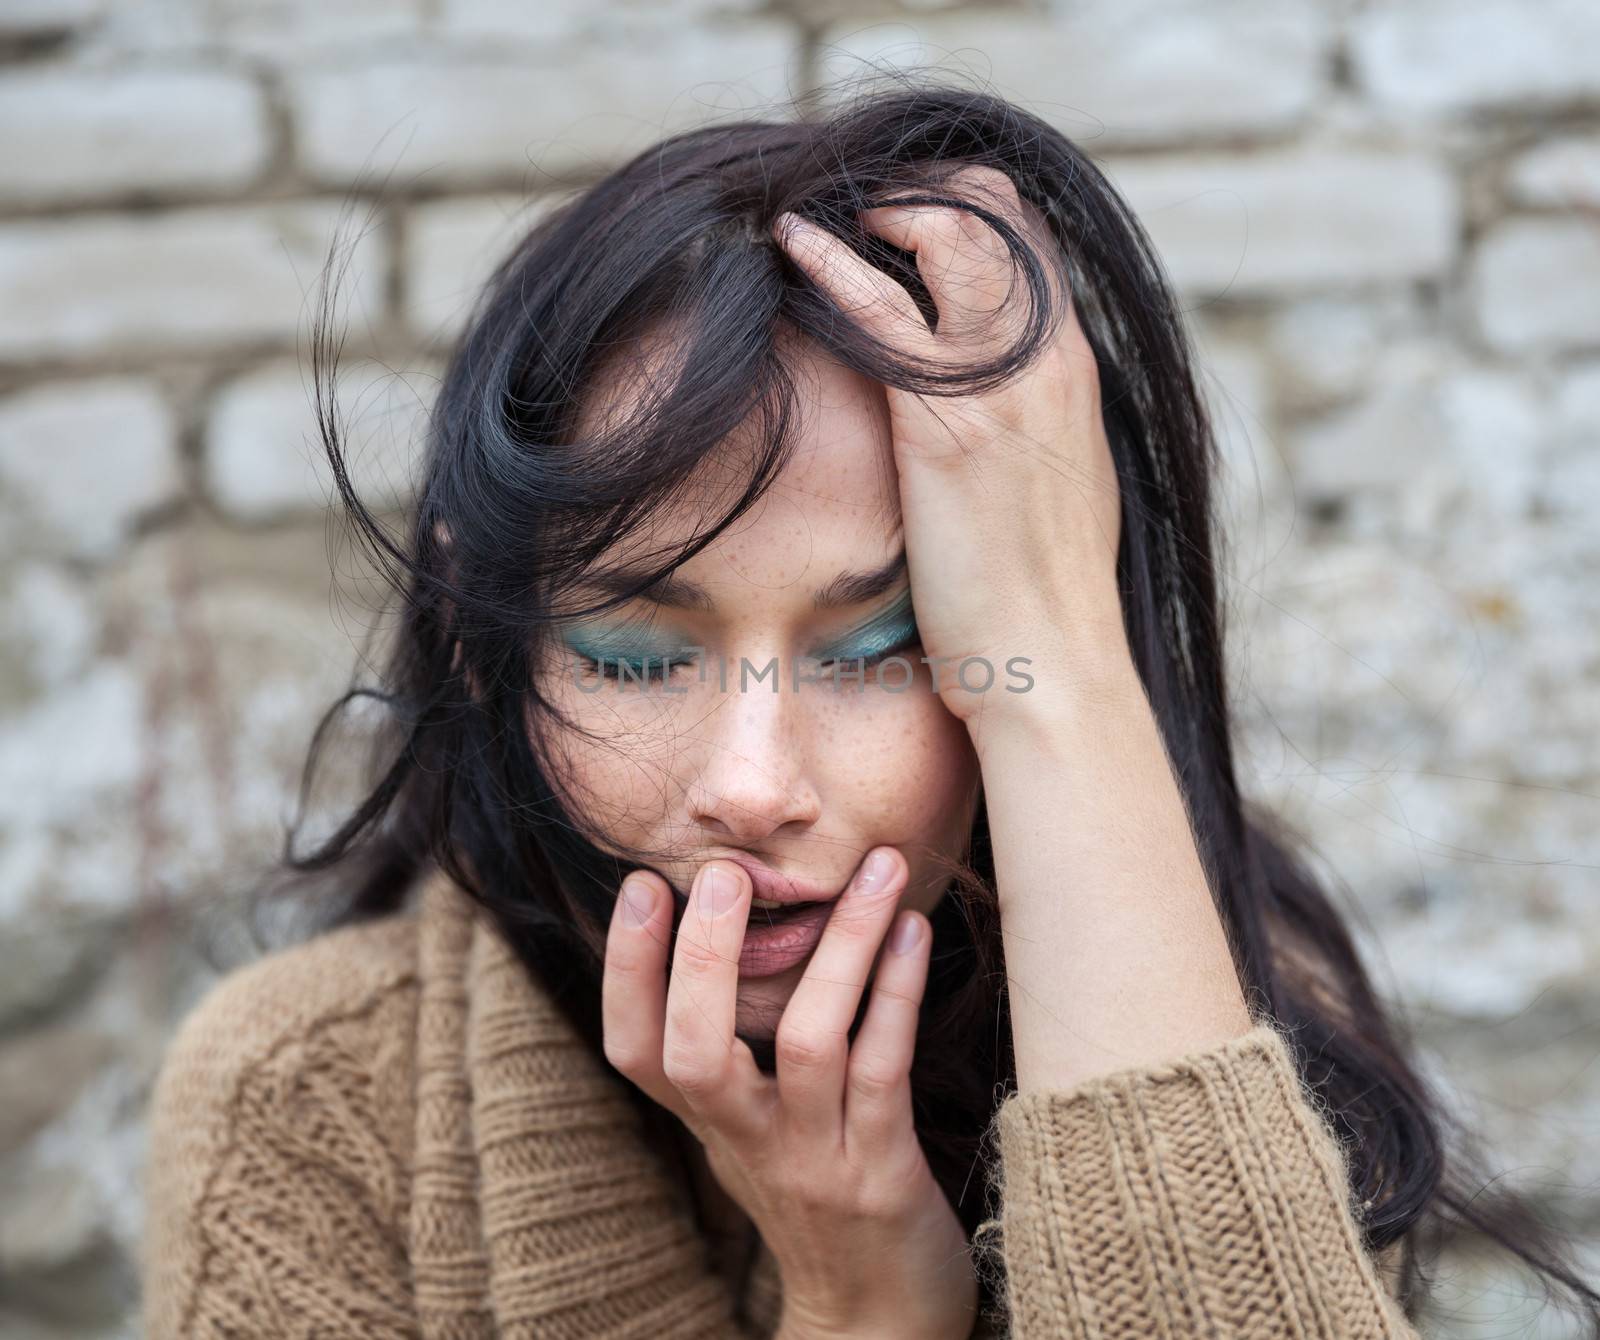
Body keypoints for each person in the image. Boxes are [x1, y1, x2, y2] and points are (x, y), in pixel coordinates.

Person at [140, 78, 1600, 1338]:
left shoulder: (1248, 1010)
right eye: (637, 659)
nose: (753, 782)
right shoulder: (313, 1099)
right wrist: (864, 1306)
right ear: (484, 646)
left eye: (886, 649)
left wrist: (1052, 649)